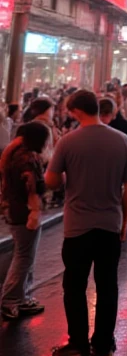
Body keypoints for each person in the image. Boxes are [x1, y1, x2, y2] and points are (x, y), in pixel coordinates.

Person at [45, 89, 127, 356]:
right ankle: (103, 346)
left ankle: (77, 345)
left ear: (75, 111)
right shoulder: (121, 140)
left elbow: (51, 180)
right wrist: (125, 220)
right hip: (109, 225)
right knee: (108, 286)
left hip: (77, 228)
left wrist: (63, 179)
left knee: (74, 286)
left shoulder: (67, 142)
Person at [0, 121, 51, 320]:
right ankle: (11, 299)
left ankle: (22, 297)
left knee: (22, 253)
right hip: (26, 211)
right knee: (24, 256)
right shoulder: (28, 159)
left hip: (14, 209)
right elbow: (34, 187)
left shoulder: (12, 154)